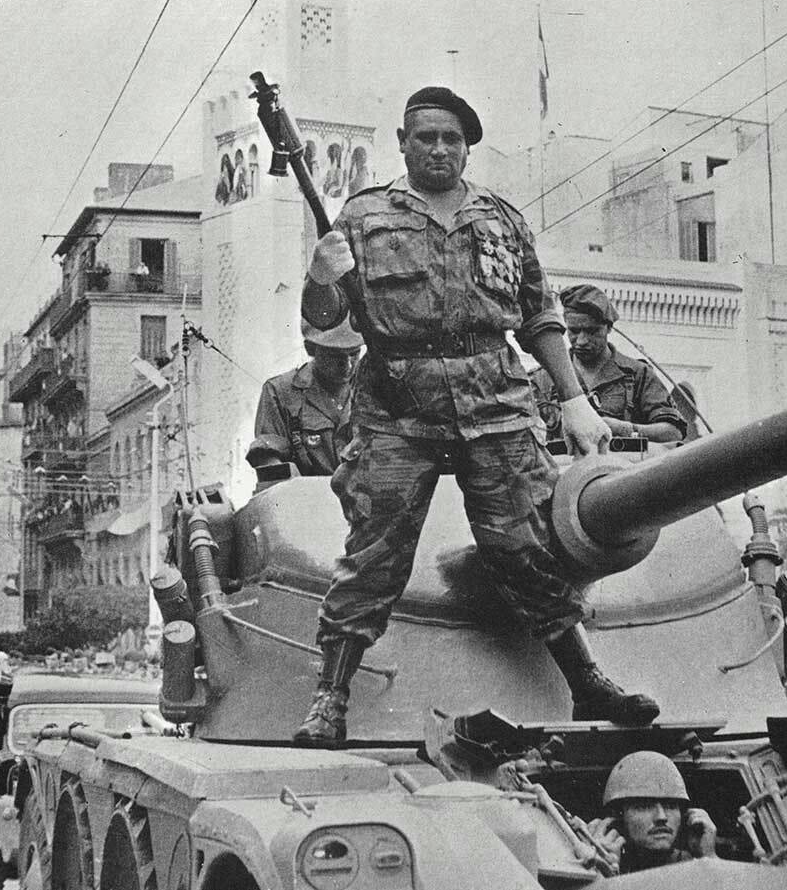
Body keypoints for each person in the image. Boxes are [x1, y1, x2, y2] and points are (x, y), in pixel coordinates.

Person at [296, 85, 659, 747]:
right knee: (374, 554)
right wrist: (320, 276)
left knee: (526, 542)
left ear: (466, 149)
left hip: (493, 397)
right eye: (426, 137)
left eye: (452, 139)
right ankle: (330, 698)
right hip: (396, 405)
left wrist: (574, 399)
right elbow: (325, 318)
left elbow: (539, 315)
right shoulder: (362, 217)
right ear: (403, 143)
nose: (439, 149)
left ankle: (585, 681)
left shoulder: (502, 220)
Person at [530, 284, 686, 445]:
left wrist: (624, 429)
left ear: (609, 327)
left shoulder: (638, 374)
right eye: (574, 331)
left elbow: (673, 432)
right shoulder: (543, 378)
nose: (582, 341)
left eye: (592, 331)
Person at [245, 316, 363, 478]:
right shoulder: (280, 392)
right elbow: (268, 457)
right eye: (335, 356)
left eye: (354, 354)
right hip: (306, 491)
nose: (347, 365)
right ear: (310, 349)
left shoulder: (374, 388)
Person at [590, 751, 718, 874]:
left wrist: (709, 859)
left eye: (671, 806)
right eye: (644, 806)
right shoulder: (594, 865)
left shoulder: (694, 866)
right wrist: (602, 871)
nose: (662, 817)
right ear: (617, 818)